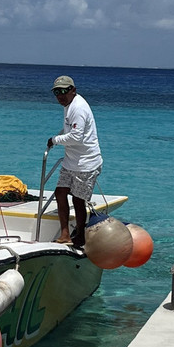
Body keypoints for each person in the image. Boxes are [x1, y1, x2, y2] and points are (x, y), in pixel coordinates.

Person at [47, 75, 102, 246]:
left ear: (73, 90)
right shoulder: (68, 105)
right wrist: (59, 135)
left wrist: (55, 140)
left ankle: (80, 235)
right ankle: (65, 234)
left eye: (64, 91)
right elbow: (69, 129)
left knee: (78, 200)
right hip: (71, 161)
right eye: (57, 92)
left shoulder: (78, 108)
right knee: (60, 192)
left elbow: (77, 137)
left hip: (86, 163)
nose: (60, 95)